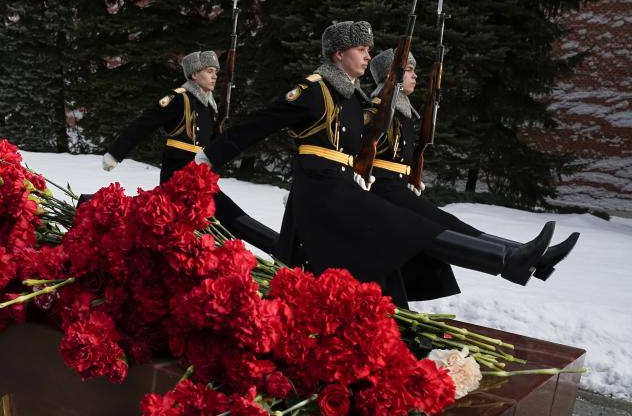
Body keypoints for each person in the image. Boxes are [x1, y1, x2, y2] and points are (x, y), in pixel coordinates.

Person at [195, 20, 557, 306]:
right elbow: (257, 125)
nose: (367, 56)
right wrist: (209, 158)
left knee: (402, 236)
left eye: (368, 49)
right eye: (360, 49)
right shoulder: (312, 91)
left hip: (342, 189)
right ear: (338, 54)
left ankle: (510, 262)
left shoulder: (350, 98)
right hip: (319, 190)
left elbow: (363, 149)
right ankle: (508, 262)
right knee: (409, 227)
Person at [365, 48, 579, 299]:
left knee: (451, 224)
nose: (415, 76)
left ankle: (531, 256)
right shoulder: (379, 109)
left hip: (396, 188)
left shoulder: (401, 110)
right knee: (440, 230)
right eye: (409, 70)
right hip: (383, 190)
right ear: (392, 75)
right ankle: (514, 260)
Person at [101, 51, 278, 253]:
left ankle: (279, 247)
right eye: (209, 71)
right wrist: (116, 153)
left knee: (222, 221)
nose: (214, 76)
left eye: (216, 72)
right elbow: (143, 124)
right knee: (223, 218)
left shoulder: (208, 105)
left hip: (199, 177)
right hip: (177, 178)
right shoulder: (179, 99)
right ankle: (280, 248)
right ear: (194, 75)